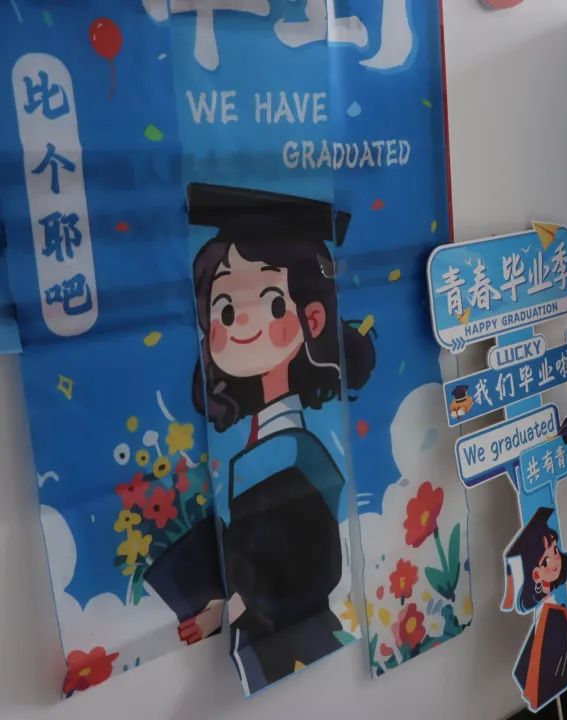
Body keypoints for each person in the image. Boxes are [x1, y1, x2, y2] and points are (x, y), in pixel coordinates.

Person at [145, 183, 375, 694]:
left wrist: (229, 604)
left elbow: (304, 564)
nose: (241, 323)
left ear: (311, 318)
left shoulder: (298, 453)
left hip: (287, 634)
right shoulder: (265, 448)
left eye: (270, 303)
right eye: (225, 310)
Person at [505, 507, 567, 711]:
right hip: (550, 668)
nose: (555, 560)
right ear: (536, 575)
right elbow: (563, 650)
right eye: (546, 560)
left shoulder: (553, 611)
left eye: (555, 551)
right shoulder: (549, 614)